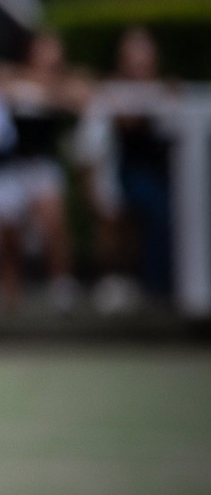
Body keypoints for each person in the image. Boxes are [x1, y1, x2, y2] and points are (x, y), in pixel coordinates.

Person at [0, 31, 78, 312]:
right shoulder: (12, 76)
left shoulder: (64, 82)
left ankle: (61, 285)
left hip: (41, 164)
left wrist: (50, 91)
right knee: (9, 234)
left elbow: (82, 92)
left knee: (52, 220)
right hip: (10, 166)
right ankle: (8, 298)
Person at [84, 26, 174, 311]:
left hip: (162, 176)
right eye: (134, 55)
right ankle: (152, 286)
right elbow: (92, 148)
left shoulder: (166, 91)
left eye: (145, 54)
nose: (140, 61)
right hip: (126, 174)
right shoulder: (110, 92)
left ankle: (161, 286)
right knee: (151, 205)